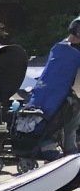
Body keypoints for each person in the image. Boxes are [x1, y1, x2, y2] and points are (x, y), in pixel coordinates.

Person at [27, 17, 80, 149]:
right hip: (65, 97)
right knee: (70, 124)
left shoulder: (59, 47)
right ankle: (69, 155)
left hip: (50, 94)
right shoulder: (71, 51)